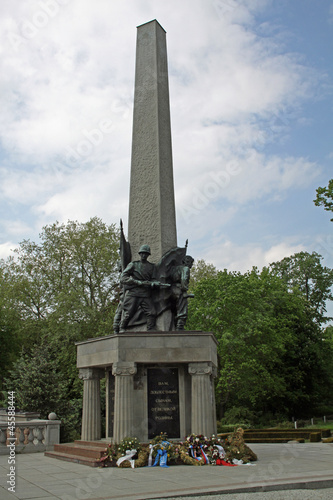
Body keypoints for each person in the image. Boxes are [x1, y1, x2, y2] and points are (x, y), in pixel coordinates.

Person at [119, 244, 158, 331]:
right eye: (142, 253)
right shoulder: (133, 265)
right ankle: (122, 328)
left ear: (148, 255)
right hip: (134, 293)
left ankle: (150, 329)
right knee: (128, 313)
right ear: (140, 254)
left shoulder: (152, 267)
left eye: (146, 254)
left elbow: (154, 279)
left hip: (145, 294)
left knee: (152, 312)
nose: (144, 255)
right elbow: (123, 277)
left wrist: (153, 284)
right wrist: (136, 282)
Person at [170, 255, 194, 330]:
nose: (191, 265)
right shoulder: (185, 268)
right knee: (182, 308)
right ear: (186, 262)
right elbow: (184, 279)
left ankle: (174, 325)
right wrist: (184, 291)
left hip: (171, 290)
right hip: (179, 290)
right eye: (191, 263)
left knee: (174, 309)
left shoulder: (175, 268)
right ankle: (180, 326)